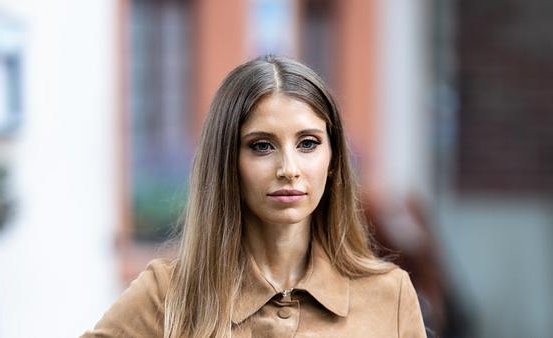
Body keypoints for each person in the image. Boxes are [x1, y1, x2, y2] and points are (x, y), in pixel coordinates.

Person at [82, 55, 427, 338]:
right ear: (227, 162)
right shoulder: (166, 294)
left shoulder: (389, 296)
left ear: (334, 160)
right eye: (262, 146)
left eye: (308, 143)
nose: (289, 168)